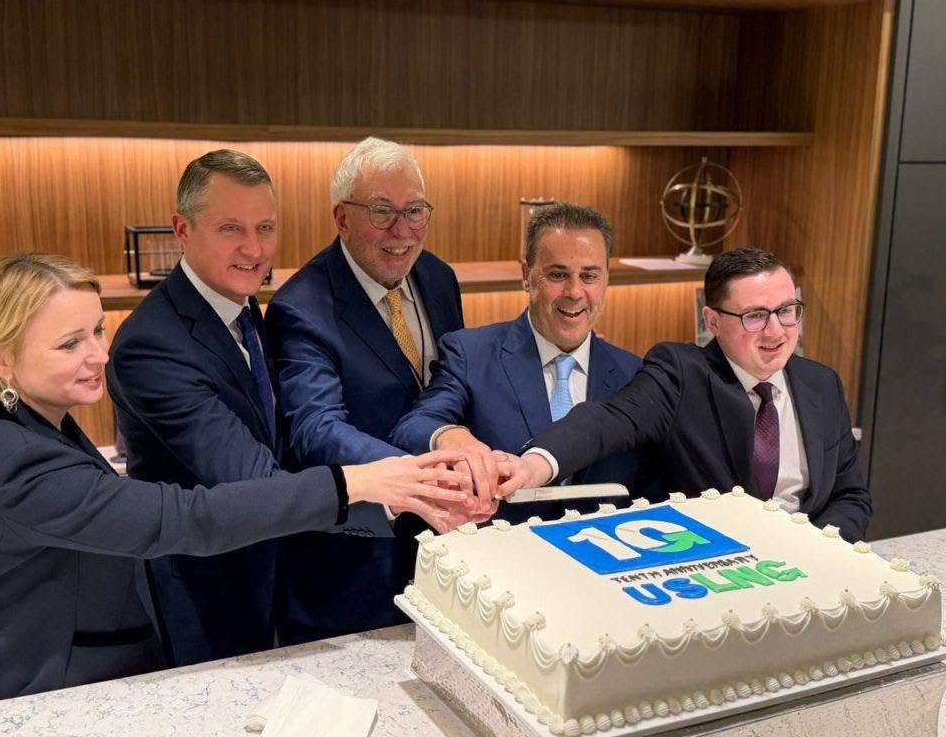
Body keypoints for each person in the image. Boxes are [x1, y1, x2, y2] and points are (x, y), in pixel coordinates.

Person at [0, 253, 468, 710]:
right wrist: (353, 482)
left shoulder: (22, 422)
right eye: (69, 344)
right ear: (1, 359)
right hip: (37, 694)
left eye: (97, 331)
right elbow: (190, 517)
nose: (99, 355)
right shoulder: (20, 464)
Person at [106, 150, 462, 666]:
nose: (254, 249)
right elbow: (254, 479)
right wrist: (385, 485)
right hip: (207, 593)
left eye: (266, 228)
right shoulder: (152, 346)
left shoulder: (240, 304)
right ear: (182, 230)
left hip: (278, 571)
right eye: (231, 229)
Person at [499, 247, 872, 543]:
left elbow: (851, 496)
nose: (776, 331)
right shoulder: (682, 373)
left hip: (810, 564)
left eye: (787, 311)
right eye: (756, 316)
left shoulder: (822, 383)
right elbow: (609, 419)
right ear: (713, 322)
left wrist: (813, 547)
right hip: (714, 567)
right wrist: (534, 465)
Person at [264, 137, 469, 643]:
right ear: (342, 217)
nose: (402, 231)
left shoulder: (439, 277)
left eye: (415, 211)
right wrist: (423, 477)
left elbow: (452, 383)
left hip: (445, 555)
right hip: (353, 570)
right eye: (381, 212)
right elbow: (316, 429)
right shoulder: (300, 306)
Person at [391, 203, 649, 523]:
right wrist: (450, 436)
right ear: (526, 275)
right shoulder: (470, 354)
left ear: (607, 278)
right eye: (558, 275)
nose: (574, 292)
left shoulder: (635, 374)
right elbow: (414, 426)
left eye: (589, 276)